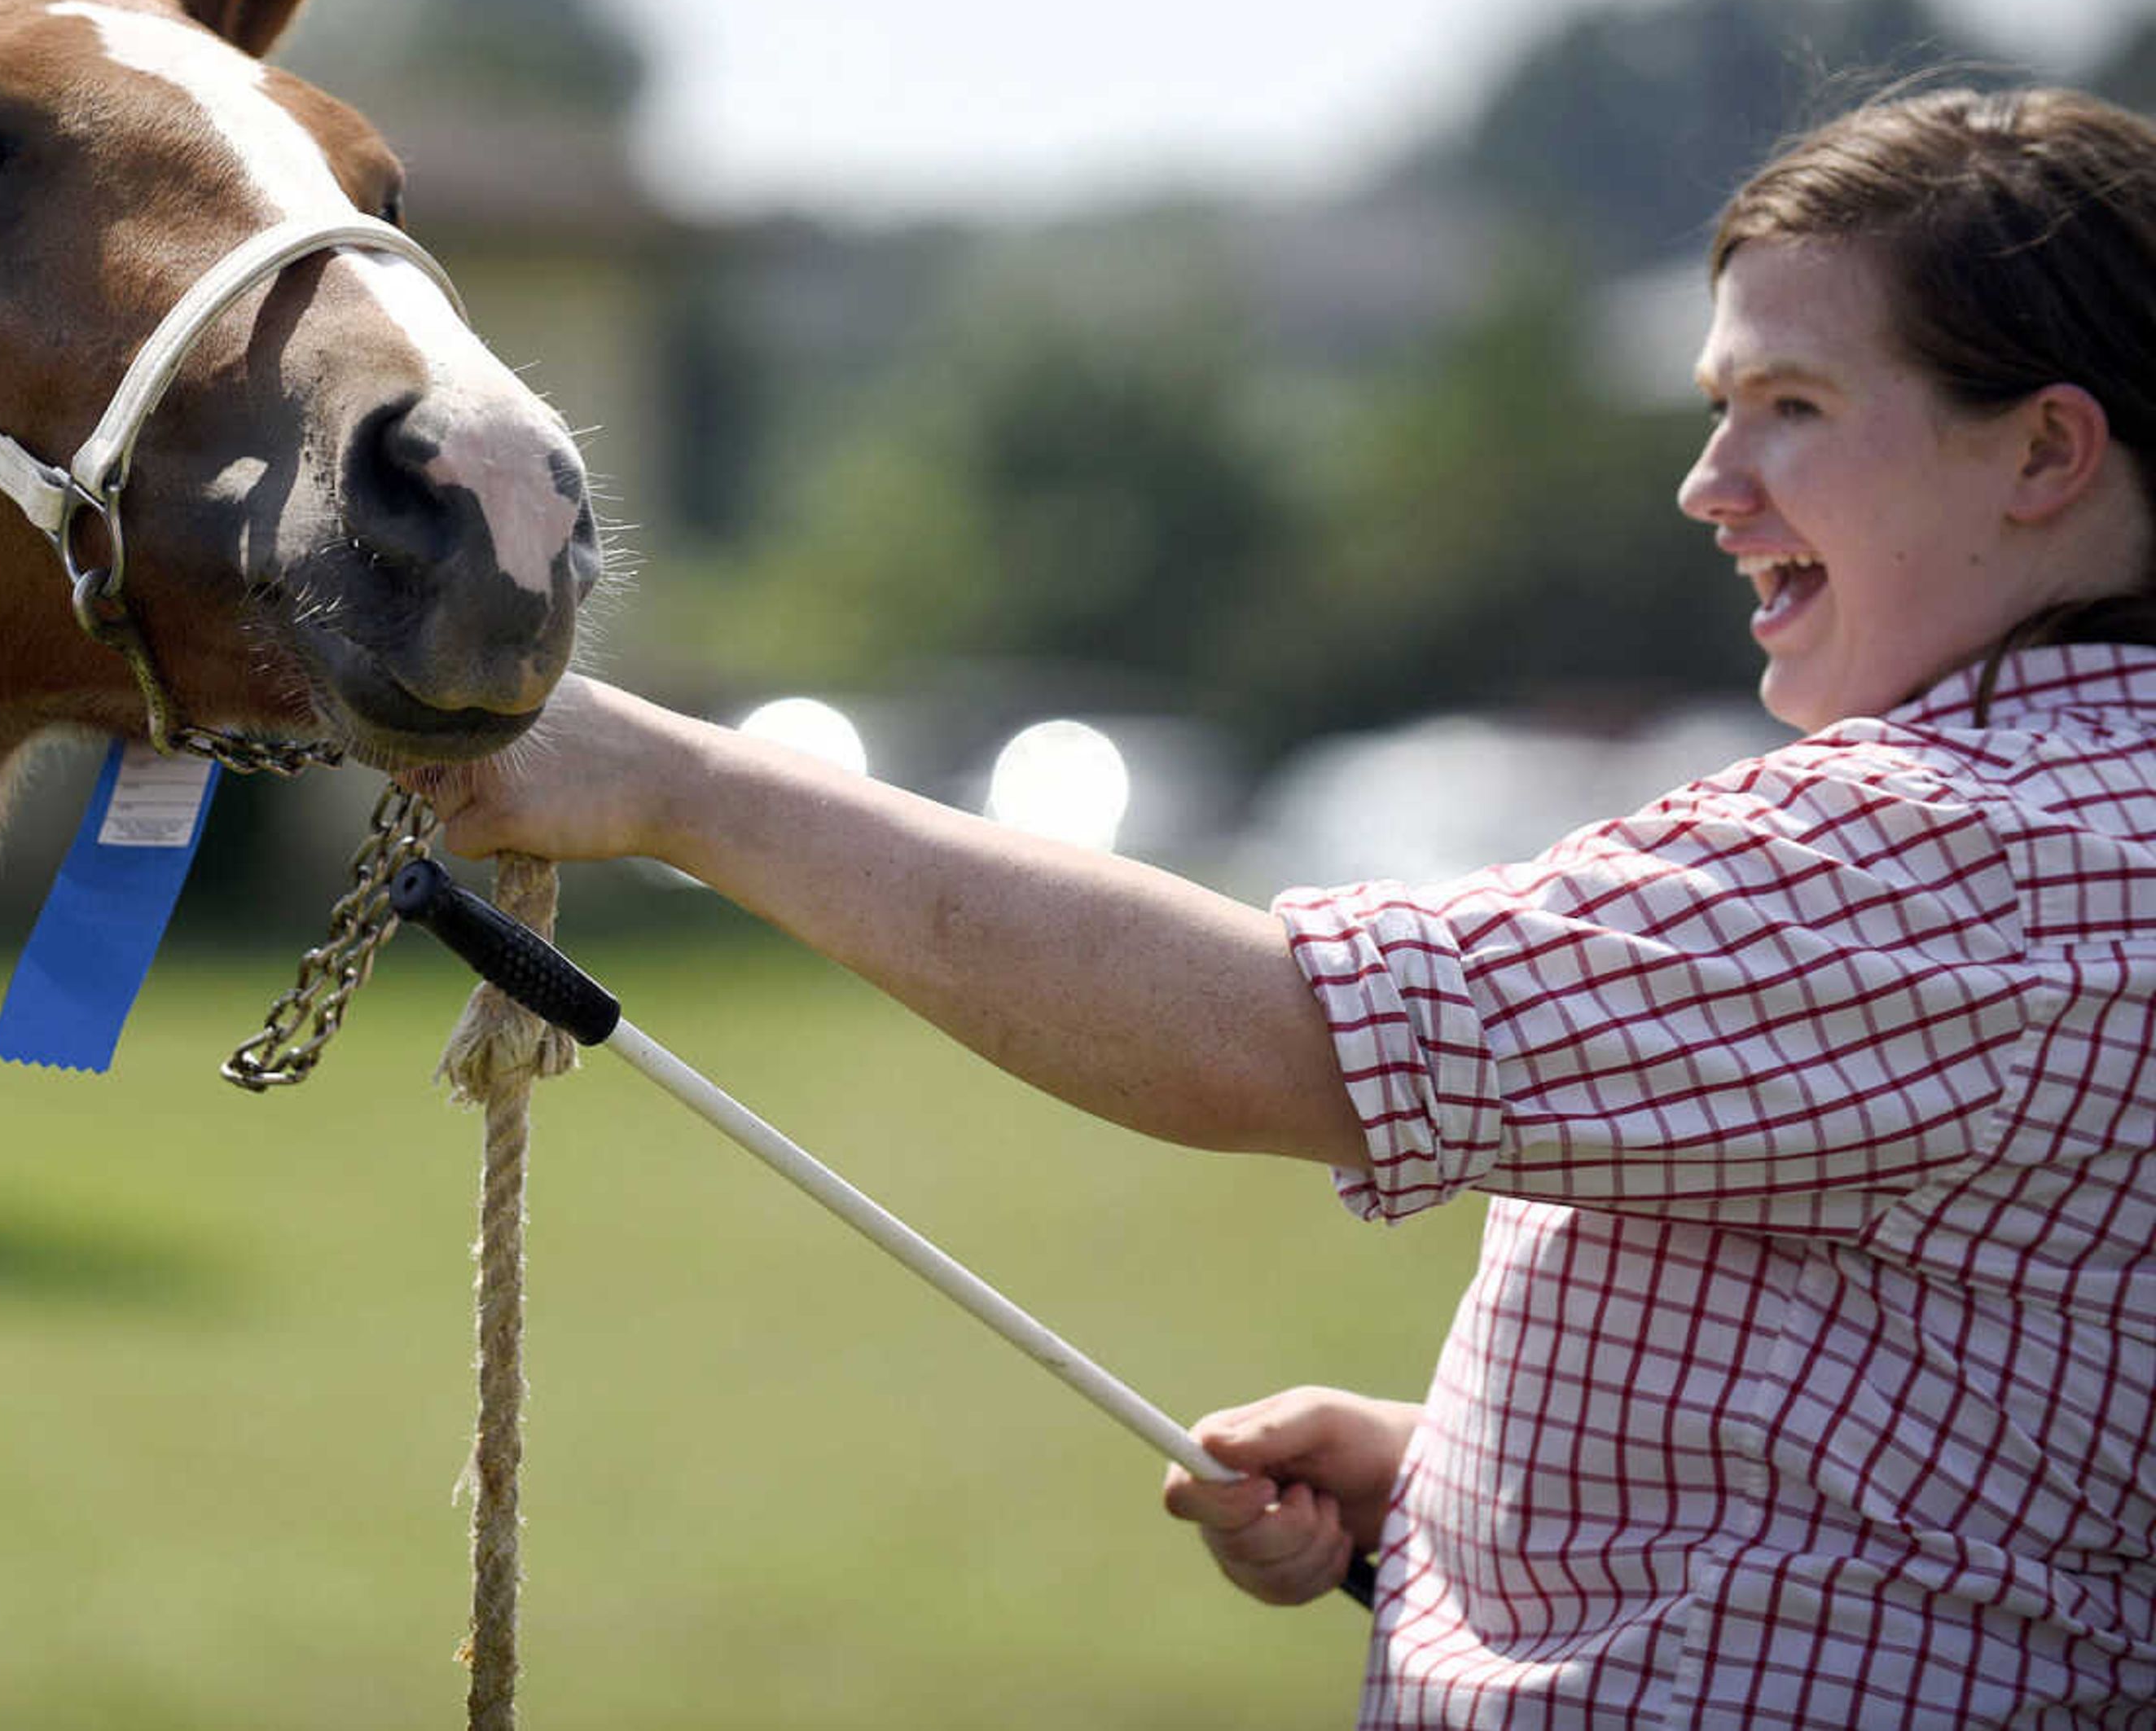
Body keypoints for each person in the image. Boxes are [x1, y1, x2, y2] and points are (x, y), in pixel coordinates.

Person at [407, 86, 2156, 1724]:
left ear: (2044, 454)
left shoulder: (1974, 848)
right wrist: (1463, 1475)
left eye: (1796, 407)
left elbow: (1270, 1033)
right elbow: (1982, 1458)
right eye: (1718, 410)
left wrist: (684, 788)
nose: (1711, 487)